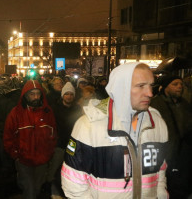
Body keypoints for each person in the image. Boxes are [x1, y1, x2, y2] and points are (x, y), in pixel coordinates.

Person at [61, 63, 168, 198]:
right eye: (141, 86)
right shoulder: (88, 125)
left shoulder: (157, 123)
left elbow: (160, 171)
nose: (150, 93)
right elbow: (73, 183)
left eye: (150, 85)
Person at [4, 80, 57, 199]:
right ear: (26, 95)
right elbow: (8, 136)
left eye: (38, 93)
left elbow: (53, 133)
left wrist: (49, 153)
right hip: (24, 160)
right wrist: (16, 154)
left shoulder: (47, 112)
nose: (35, 97)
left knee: (37, 188)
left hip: (42, 160)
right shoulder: (15, 113)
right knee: (30, 190)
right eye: (32, 94)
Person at [150, 75, 192, 199]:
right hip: (166, 154)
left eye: (181, 84)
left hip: (184, 155)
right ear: (165, 87)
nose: (179, 87)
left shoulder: (184, 104)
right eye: (175, 84)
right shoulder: (155, 104)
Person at [47, 82, 83, 198]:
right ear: (63, 95)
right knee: (54, 169)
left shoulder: (77, 109)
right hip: (59, 144)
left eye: (71, 94)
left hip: (73, 144)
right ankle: (51, 190)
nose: (69, 96)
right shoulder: (55, 108)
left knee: (70, 170)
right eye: (66, 94)